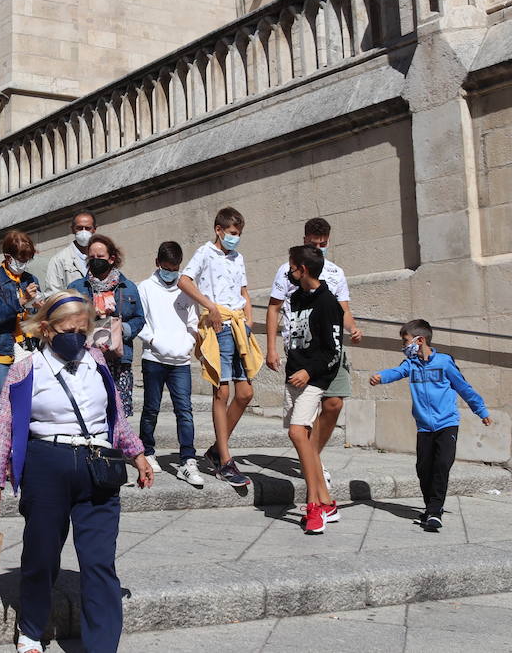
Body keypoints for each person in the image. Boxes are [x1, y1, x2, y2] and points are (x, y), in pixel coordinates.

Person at [0, 291, 154, 653]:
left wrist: (137, 453)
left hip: (98, 465)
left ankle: (102, 646)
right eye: (67, 328)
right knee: (42, 555)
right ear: (46, 329)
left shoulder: (97, 361)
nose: (75, 335)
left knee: (99, 561)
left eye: (82, 328)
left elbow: (115, 417)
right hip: (47, 465)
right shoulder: (26, 368)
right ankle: (31, 630)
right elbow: (3, 427)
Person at [265, 216, 363, 491]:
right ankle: (315, 472)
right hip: (303, 352)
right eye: (314, 242)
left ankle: (312, 460)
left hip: (331, 350)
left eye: (324, 243)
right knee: (299, 425)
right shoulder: (290, 271)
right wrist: (271, 347)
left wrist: (353, 328)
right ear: (305, 239)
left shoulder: (335, 272)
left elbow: (343, 309)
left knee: (334, 404)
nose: (320, 246)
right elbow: (274, 307)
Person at [369, 319, 492, 533]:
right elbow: (396, 372)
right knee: (423, 469)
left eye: (406, 341)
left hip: (447, 424)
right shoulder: (411, 364)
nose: (404, 346)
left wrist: (481, 410)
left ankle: (435, 511)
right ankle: (430, 508)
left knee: (442, 465)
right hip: (424, 427)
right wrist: (381, 377)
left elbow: (463, 387)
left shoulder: (444, 363)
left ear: (420, 340)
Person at [175, 207, 257, 488]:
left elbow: (244, 290)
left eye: (239, 234)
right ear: (219, 230)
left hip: (238, 326)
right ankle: (224, 460)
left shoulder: (238, 257)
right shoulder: (205, 252)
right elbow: (184, 280)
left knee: (245, 393)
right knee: (221, 391)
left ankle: (214, 451)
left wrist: (249, 316)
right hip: (218, 326)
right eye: (232, 233)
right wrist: (209, 306)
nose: (236, 239)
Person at [281, 245, 344, 535]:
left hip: (313, 380)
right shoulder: (294, 299)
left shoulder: (328, 302)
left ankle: (315, 507)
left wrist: (309, 371)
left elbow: (334, 351)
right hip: (293, 377)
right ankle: (328, 503)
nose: (289, 273)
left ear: (302, 270)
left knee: (297, 432)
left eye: (292, 268)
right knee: (304, 441)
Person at [136, 241, 203, 486]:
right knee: (151, 408)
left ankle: (188, 459)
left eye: (174, 269)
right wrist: (154, 340)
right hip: (154, 358)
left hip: (181, 360)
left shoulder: (185, 288)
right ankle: (148, 451)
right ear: (157, 263)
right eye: (166, 268)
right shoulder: (144, 288)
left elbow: (193, 321)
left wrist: (188, 342)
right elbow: (140, 320)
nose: (170, 273)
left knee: (184, 410)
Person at [68, 233, 143, 416]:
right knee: (91, 410)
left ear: (111, 259)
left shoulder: (128, 287)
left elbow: (139, 318)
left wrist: (123, 329)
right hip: (86, 359)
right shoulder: (77, 287)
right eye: (92, 257)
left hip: (119, 359)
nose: (95, 261)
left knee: (119, 413)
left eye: (100, 257)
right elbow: (66, 319)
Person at [0, 230, 40, 399]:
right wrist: (21, 301)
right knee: (5, 405)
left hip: (28, 349)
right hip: (0, 352)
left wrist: (41, 307)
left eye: (27, 259)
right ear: (8, 256)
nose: (23, 263)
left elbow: (36, 315)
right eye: (20, 259)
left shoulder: (31, 279)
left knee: (29, 404)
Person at [44, 209, 96, 291]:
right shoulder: (59, 260)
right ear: (72, 229)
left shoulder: (102, 256)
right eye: (79, 228)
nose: (83, 232)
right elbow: (52, 294)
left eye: (87, 228)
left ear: (94, 229)